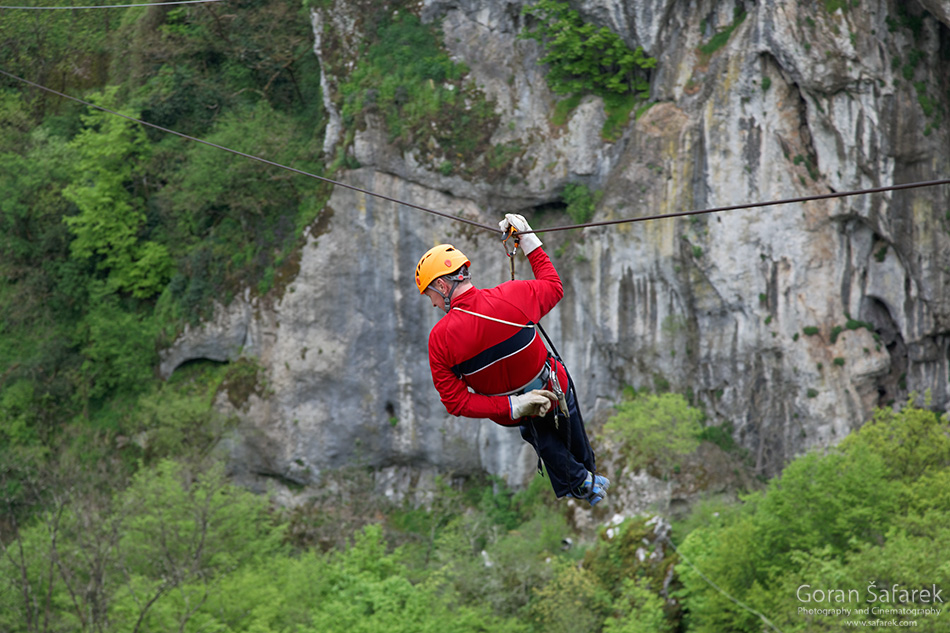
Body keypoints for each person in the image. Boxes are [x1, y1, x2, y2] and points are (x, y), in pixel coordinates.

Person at [414, 213, 609, 506]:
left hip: (514, 412)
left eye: (431, 294)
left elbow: (455, 402)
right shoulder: (513, 295)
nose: (433, 303)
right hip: (554, 386)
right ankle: (584, 477)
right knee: (572, 439)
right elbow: (554, 286)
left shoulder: (440, 339)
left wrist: (512, 405)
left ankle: (581, 480)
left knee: (540, 433)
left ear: (443, 286)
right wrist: (528, 239)